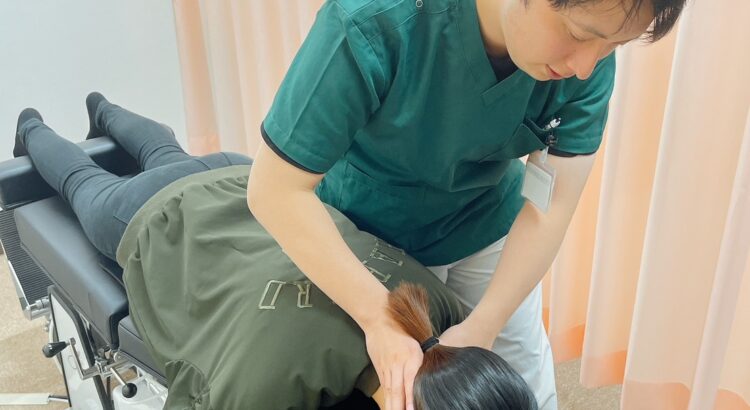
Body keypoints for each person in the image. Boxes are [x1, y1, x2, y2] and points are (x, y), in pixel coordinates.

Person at [247, 0, 687, 408]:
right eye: (578, 33)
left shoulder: (588, 61)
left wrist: (486, 324)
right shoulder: (372, 22)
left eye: (614, 45)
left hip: (487, 220)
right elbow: (275, 189)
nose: (587, 66)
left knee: (526, 386)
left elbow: (550, 205)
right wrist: (377, 316)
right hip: (378, 231)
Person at [11, 94, 539, 409]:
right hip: (157, 213)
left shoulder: (441, 312)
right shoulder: (265, 388)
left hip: (241, 177)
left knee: (164, 150)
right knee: (83, 183)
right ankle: (30, 125)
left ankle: (102, 107)